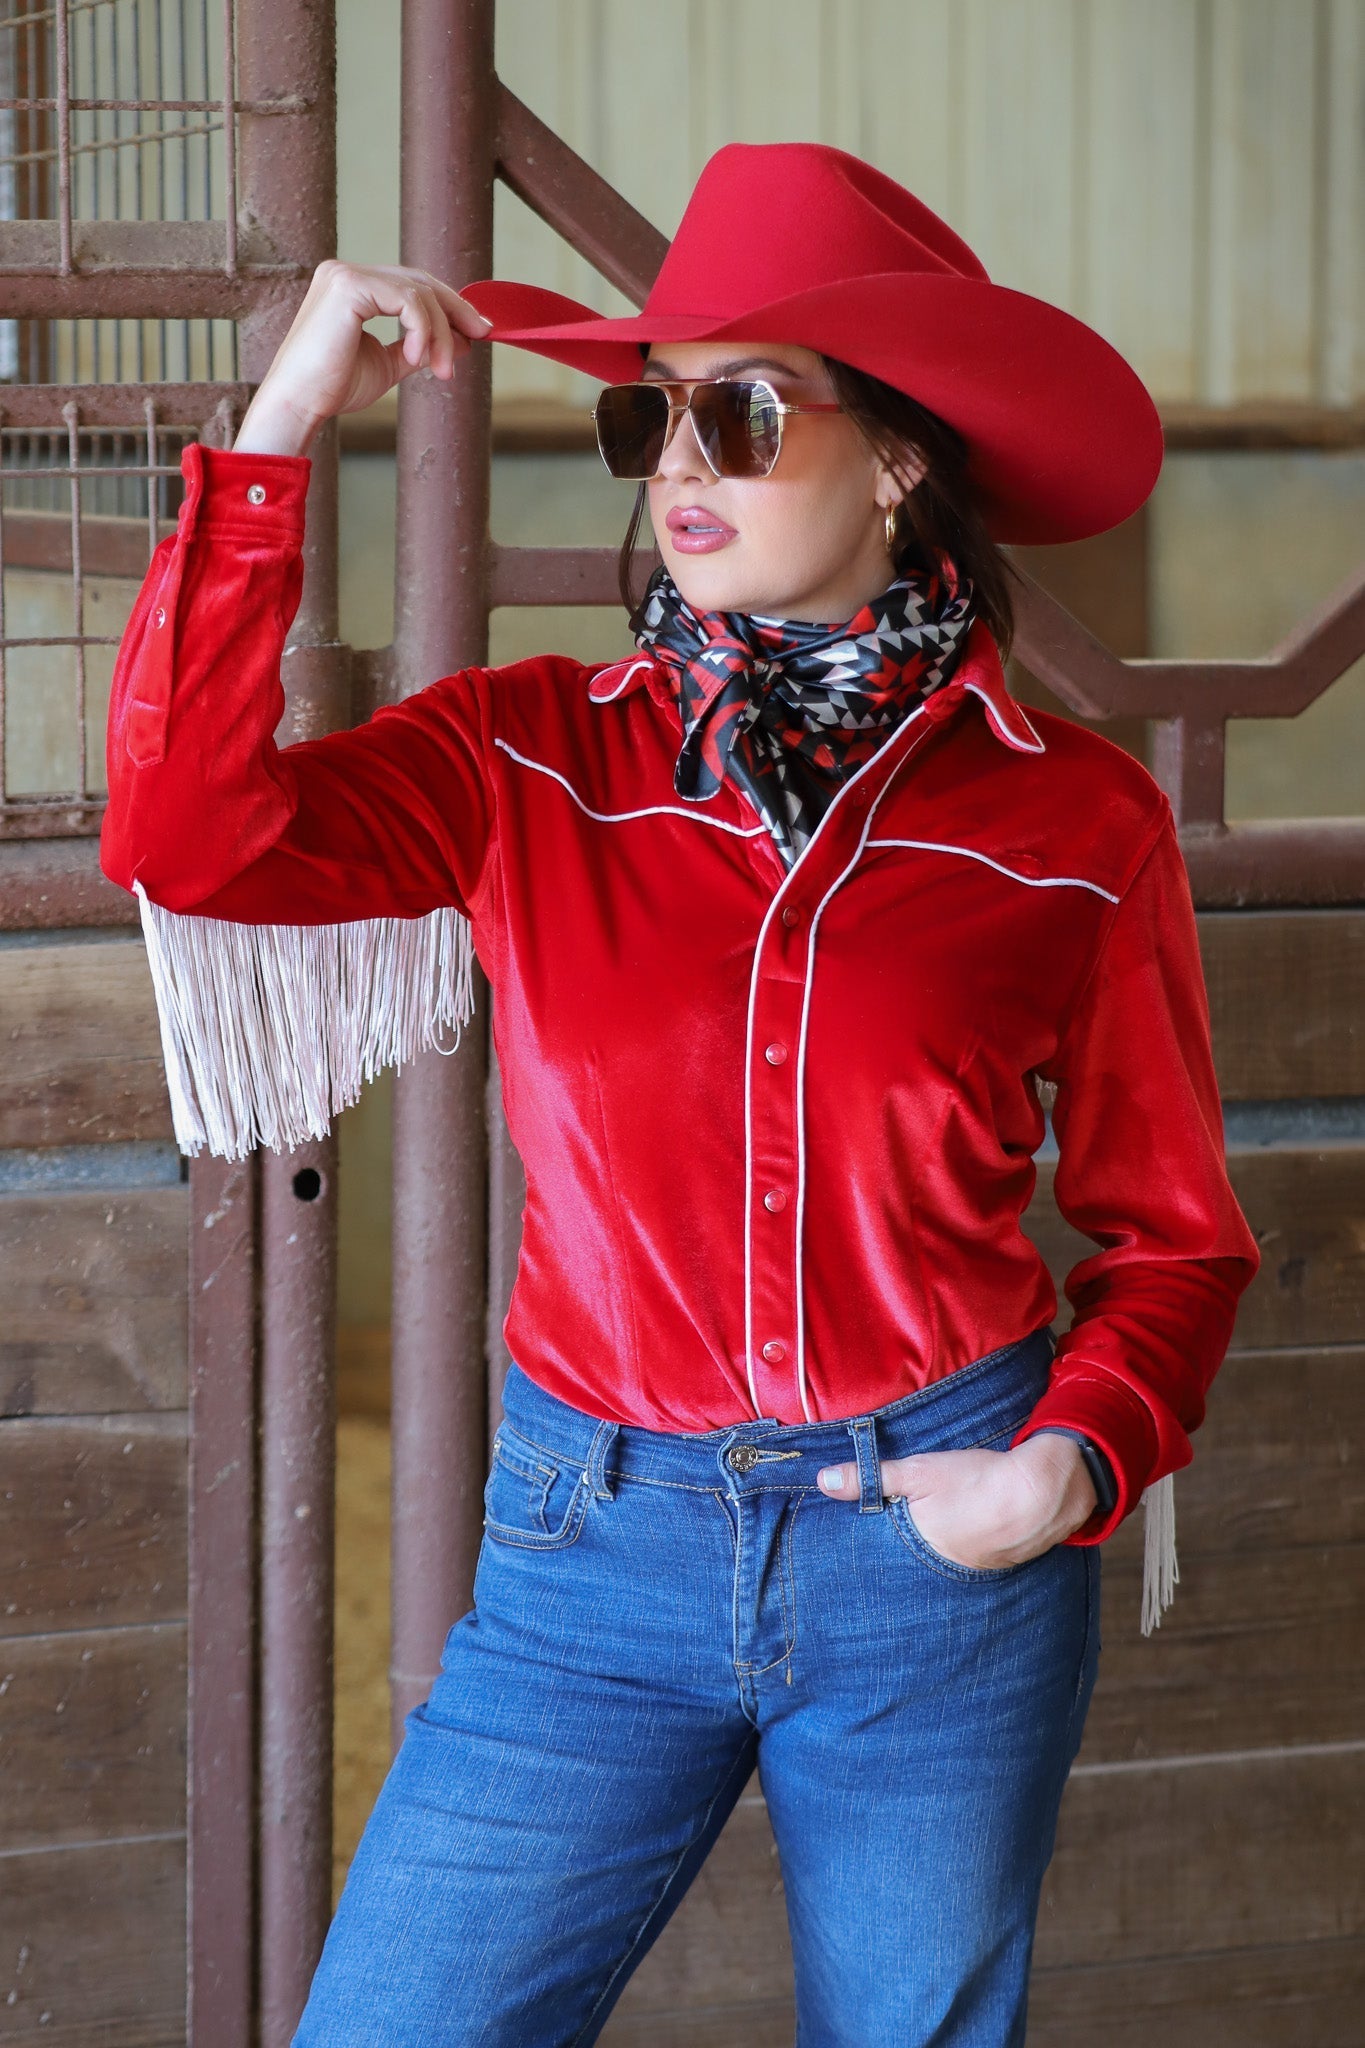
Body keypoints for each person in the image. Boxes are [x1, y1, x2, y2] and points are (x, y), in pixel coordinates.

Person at [102, 142, 1260, 2048]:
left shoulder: (1077, 821)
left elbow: (1174, 1237)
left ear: (900, 458)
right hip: (590, 1546)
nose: (679, 469)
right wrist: (288, 414)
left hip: (937, 1555)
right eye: (651, 417)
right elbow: (187, 834)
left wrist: (1074, 1460)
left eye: (739, 412)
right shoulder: (526, 754)